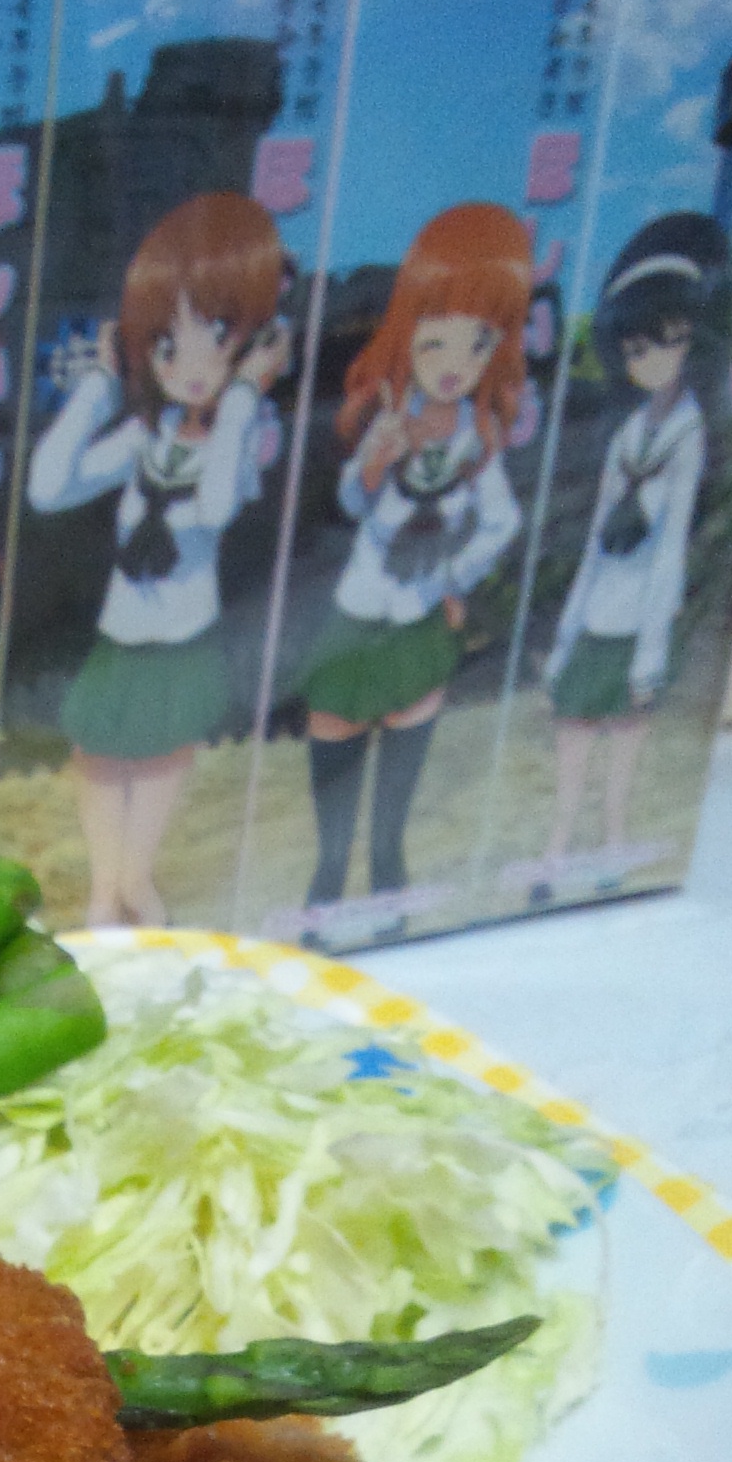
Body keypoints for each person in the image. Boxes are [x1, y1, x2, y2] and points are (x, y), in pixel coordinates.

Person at [25, 192, 290, 926]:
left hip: (182, 635)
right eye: (169, 344)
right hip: (123, 632)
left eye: (218, 336)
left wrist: (244, 396)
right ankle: (107, 889)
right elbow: (49, 488)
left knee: (161, 756)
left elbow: (215, 507)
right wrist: (97, 387)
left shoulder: (242, 437)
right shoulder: (150, 433)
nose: (192, 366)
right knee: (100, 753)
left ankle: (135, 880)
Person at [297, 202, 531, 927]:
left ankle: (389, 899)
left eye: (477, 343)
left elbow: (503, 520)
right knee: (335, 760)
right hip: (359, 610)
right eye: (435, 343)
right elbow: (351, 504)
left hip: (421, 614)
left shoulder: (477, 437)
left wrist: (455, 577)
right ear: (406, 335)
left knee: (393, 814)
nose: (455, 365)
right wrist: (375, 461)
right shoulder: (388, 415)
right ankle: (325, 897)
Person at [535, 212, 727, 894]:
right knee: (572, 744)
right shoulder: (626, 437)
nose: (651, 358)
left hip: (640, 623)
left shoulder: (689, 435)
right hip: (598, 617)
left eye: (667, 340)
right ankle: (557, 852)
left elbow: (671, 550)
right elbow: (596, 543)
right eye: (637, 346)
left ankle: (613, 851)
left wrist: (650, 654)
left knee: (623, 757)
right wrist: (565, 638)